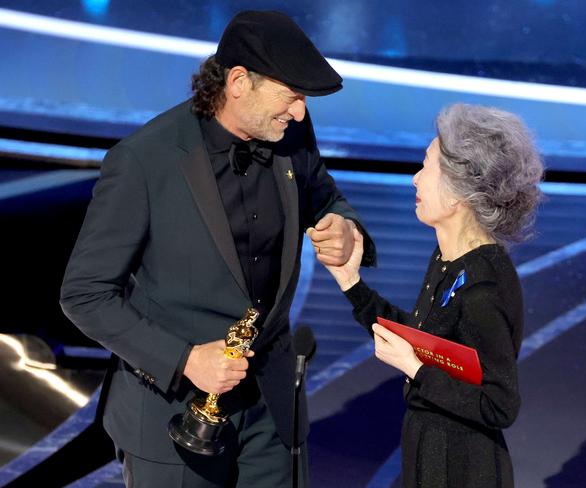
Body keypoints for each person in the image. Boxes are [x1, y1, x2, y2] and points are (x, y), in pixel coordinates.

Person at [60, 10, 376, 488]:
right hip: (173, 417)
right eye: (290, 97)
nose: (299, 113)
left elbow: (325, 196)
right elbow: (85, 293)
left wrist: (347, 228)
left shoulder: (290, 136)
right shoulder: (144, 161)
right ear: (237, 82)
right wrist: (186, 360)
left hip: (271, 413)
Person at [313, 103, 543, 488]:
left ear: (457, 192)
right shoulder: (448, 258)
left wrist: (415, 369)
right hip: (428, 456)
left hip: (464, 471)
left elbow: (500, 404)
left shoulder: (486, 287)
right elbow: (425, 340)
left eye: (426, 166)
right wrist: (351, 283)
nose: (415, 180)